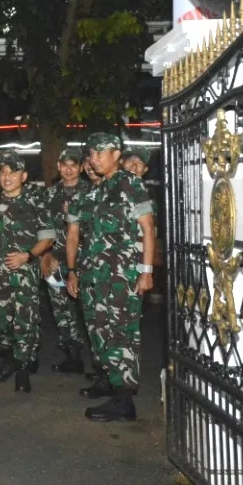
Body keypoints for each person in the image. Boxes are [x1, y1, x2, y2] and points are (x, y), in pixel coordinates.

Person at [66, 132, 156, 422]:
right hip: (96, 277)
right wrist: (77, 272)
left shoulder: (130, 184)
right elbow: (84, 237)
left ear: (116, 155)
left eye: (100, 153)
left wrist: (146, 271)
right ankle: (111, 381)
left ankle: (124, 401)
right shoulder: (97, 190)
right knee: (100, 332)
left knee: (122, 336)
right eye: (91, 154)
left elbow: (147, 228)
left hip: (122, 278)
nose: (94, 159)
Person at [0, 150, 55, 393]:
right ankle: (12, 356)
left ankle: (22, 370)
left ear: (23, 176)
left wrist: (29, 255)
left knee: (25, 323)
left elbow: (48, 237)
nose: (7, 177)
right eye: (3, 172)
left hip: (25, 273)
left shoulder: (36, 201)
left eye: (13, 172)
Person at [41, 147, 91, 375]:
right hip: (57, 261)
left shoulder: (92, 192)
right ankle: (73, 354)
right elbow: (42, 228)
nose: (69, 169)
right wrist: (45, 255)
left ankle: (102, 364)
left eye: (74, 165)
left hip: (88, 261)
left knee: (91, 309)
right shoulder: (49, 195)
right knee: (61, 308)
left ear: (81, 168)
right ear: (59, 167)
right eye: (65, 165)